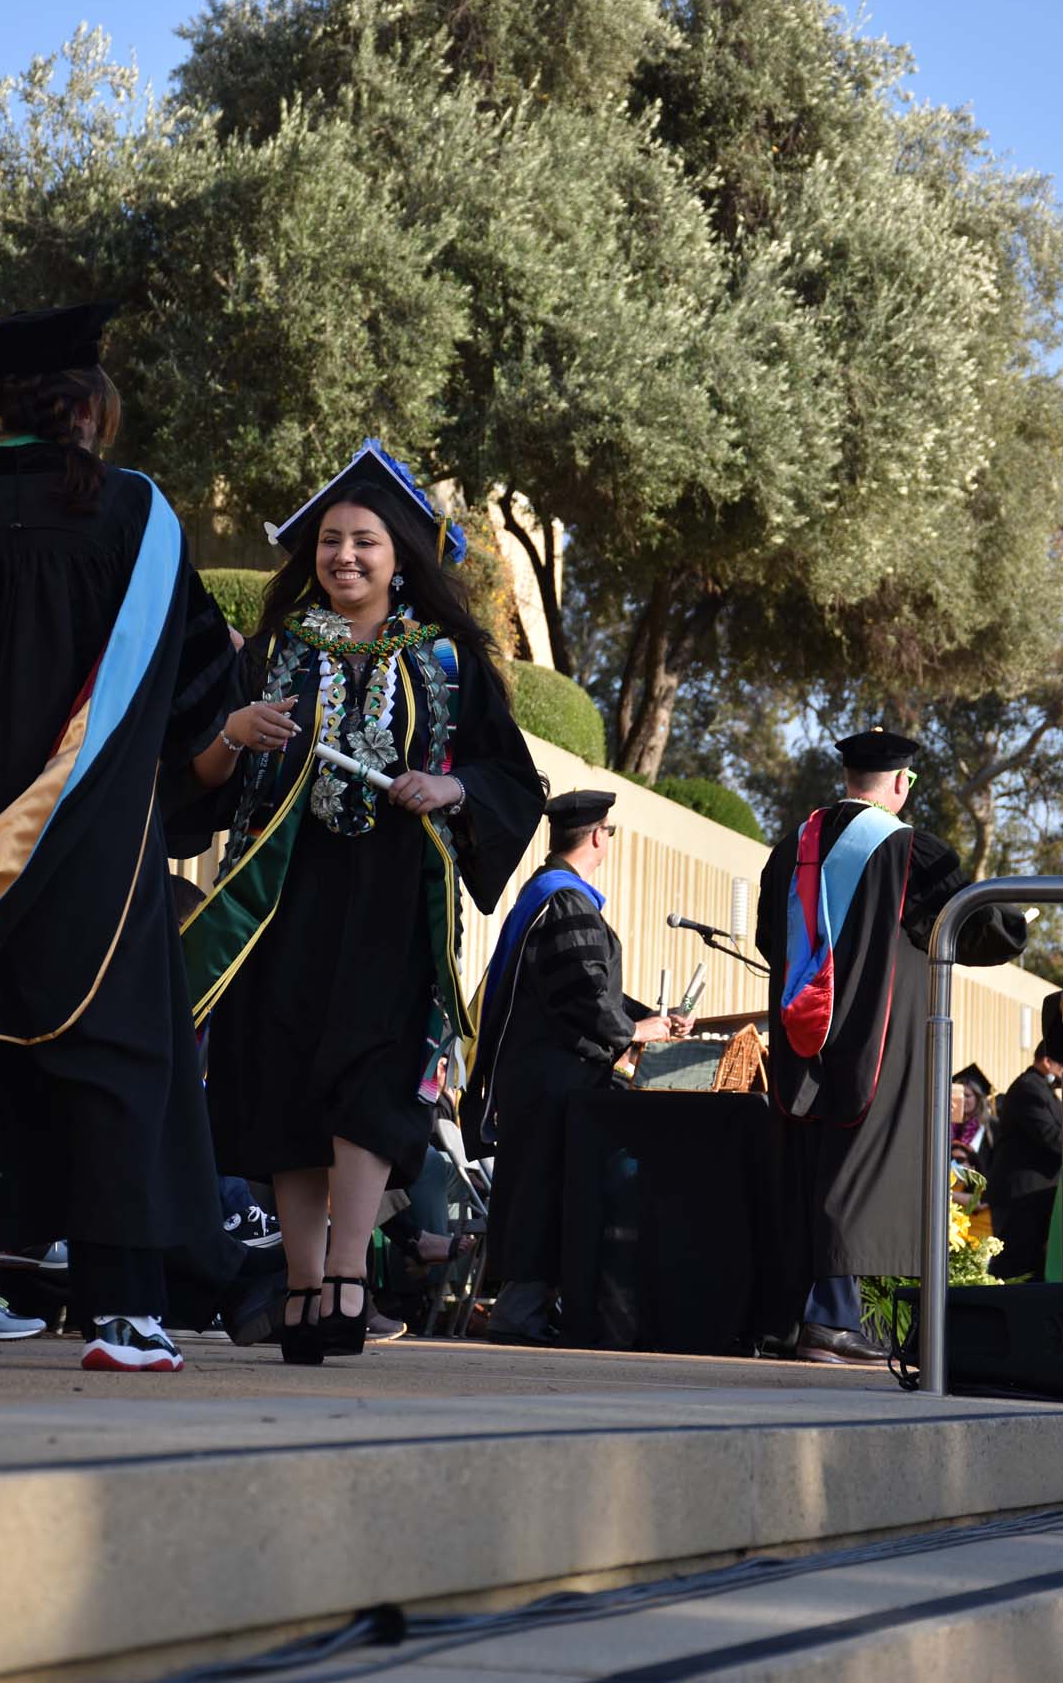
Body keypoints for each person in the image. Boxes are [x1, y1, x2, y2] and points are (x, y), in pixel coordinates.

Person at [0, 303, 274, 1372]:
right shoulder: (137, 519)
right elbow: (195, 693)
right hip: (92, 858)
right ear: (90, 408)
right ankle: (121, 1316)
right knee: (112, 1067)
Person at [179, 438, 544, 1364]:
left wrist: (449, 790)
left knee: (371, 1084)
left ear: (399, 556)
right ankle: (303, 1285)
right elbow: (199, 783)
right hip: (282, 896)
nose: (344, 556)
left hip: (392, 899)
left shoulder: (449, 660)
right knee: (285, 1088)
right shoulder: (273, 651)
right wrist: (232, 732)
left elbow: (511, 778)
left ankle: (350, 1275)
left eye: (366, 543)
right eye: (332, 542)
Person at [756, 728, 1027, 1365]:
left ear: (849, 777)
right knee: (856, 1166)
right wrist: (1019, 923)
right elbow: (978, 930)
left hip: (802, 1039)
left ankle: (793, 1318)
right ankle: (831, 1320)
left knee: (808, 1165)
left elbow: (774, 939)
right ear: (902, 785)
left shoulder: (792, 847)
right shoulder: (910, 851)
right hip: (877, 1043)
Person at [463, 789, 692, 1346]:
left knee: (540, 1187)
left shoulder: (547, 894)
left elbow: (572, 981)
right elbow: (581, 995)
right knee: (544, 1190)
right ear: (596, 836)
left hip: (538, 1076)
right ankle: (521, 1312)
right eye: (609, 832)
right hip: (555, 1081)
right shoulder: (566, 901)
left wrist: (645, 1015)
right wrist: (635, 1031)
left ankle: (530, 1308)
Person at [988, 1039, 1063, 1280]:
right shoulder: (1029, 1088)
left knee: (1034, 1266)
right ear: (1047, 1061)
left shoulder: (1043, 1090)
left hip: (1037, 1195)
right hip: (1021, 1196)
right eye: (1062, 1065)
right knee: (1018, 1264)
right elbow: (1053, 1138)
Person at [951, 1063, 995, 1181]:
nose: (962, 1099)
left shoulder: (991, 1127)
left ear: (978, 1098)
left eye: (967, 1095)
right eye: (959, 1095)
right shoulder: (947, 1125)